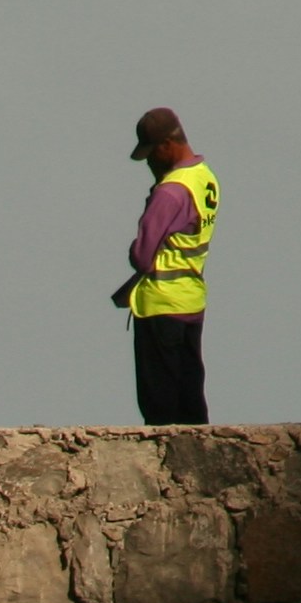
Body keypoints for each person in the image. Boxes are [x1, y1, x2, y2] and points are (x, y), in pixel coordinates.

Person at [110, 107, 217, 424]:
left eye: (151, 155)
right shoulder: (205, 179)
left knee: (160, 403)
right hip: (191, 300)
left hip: (160, 304)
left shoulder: (170, 192)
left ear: (166, 145)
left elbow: (142, 255)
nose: (149, 164)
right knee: (190, 394)